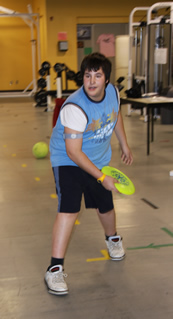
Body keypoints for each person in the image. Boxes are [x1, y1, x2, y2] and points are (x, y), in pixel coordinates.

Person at [45, 52, 133, 295]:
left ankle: (113, 239)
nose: (92, 81)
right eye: (87, 76)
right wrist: (103, 178)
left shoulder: (113, 93)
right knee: (69, 209)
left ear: (106, 79)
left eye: (97, 75)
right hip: (68, 160)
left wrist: (124, 144)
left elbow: (115, 118)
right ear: (82, 78)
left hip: (98, 157)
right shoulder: (74, 106)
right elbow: (74, 152)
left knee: (105, 205)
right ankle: (54, 269)